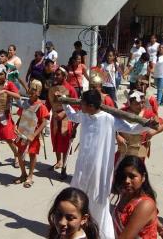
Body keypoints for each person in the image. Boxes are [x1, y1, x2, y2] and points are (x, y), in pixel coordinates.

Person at [61, 90, 156, 239]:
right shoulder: (84, 115)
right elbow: (72, 115)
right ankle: (78, 229)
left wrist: (147, 125)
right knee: (77, 198)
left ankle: (99, 234)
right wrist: (64, 101)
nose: (81, 106)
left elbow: (130, 128)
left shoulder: (109, 118)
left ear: (91, 106)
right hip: (82, 168)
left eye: (83, 103)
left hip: (100, 170)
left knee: (98, 202)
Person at [13, 79, 49, 188]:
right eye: (31, 89)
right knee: (19, 154)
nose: (32, 91)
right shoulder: (26, 103)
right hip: (22, 131)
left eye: (35, 90)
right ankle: (23, 174)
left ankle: (30, 176)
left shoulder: (41, 106)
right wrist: (16, 125)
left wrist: (35, 134)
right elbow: (21, 116)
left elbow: (44, 122)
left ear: (39, 92)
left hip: (33, 134)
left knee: (32, 155)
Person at [112, 155, 158, 238]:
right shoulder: (126, 194)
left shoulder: (145, 204)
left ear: (143, 177)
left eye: (132, 176)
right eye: (123, 176)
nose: (127, 181)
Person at [116, 90, 163, 164]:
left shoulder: (148, 113)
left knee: (137, 171)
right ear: (130, 103)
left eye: (142, 102)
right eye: (137, 103)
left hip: (140, 149)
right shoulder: (122, 112)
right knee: (119, 170)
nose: (141, 105)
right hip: (124, 149)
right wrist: (118, 136)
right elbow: (112, 126)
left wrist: (152, 133)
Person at [47, 67, 78, 175]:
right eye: (55, 74)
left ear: (64, 76)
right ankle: (58, 161)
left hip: (66, 118)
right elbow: (48, 103)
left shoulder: (71, 89)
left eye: (58, 74)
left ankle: (64, 165)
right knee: (55, 139)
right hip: (55, 118)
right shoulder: (52, 88)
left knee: (65, 142)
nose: (56, 76)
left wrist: (64, 113)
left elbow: (76, 107)